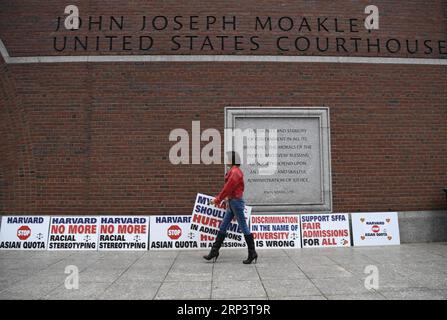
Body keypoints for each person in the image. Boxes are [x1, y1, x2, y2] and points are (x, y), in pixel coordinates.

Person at [203, 151, 258, 264]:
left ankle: (252, 253)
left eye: (228, 158)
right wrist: (227, 198)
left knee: (243, 227)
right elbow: (233, 189)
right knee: (223, 226)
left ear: (232, 160)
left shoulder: (235, 172)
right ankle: (214, 251)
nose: (226, 160)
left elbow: (228, 188)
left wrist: (218, 199)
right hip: (233, 202)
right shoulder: (234, 172)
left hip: (236, 203)